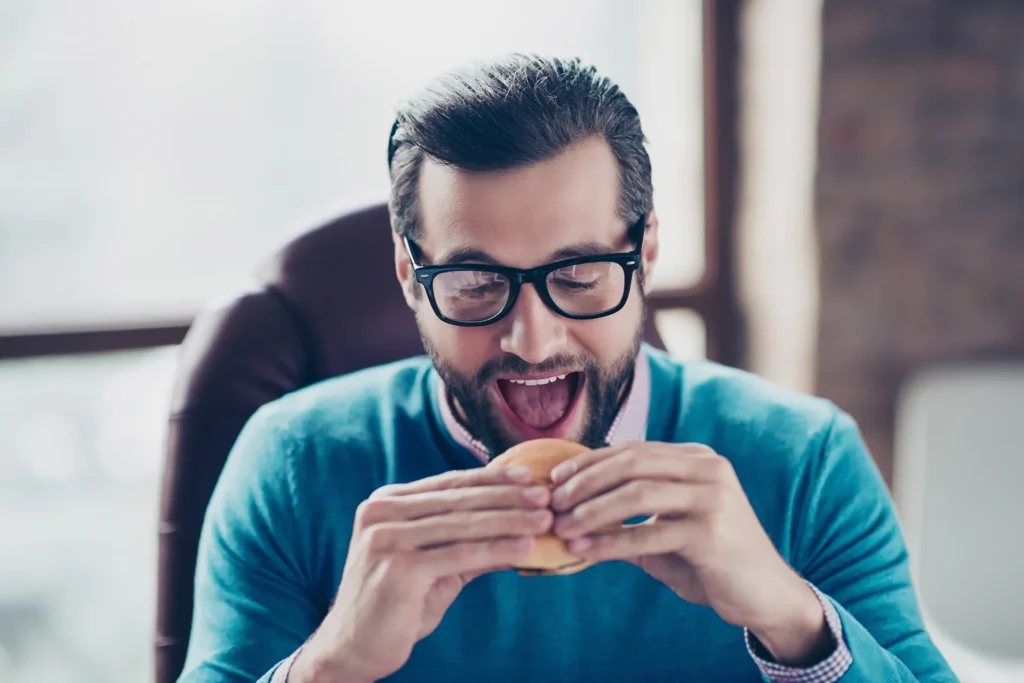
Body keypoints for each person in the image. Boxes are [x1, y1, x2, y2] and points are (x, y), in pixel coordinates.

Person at [178, 54, 957, 683]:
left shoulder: (805, 456)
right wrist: (330, 666)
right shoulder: (290, 460)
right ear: (413, 277)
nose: (532, 338)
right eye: (476, 283)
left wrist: (795, 622)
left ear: (645, 252)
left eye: (579, 274)